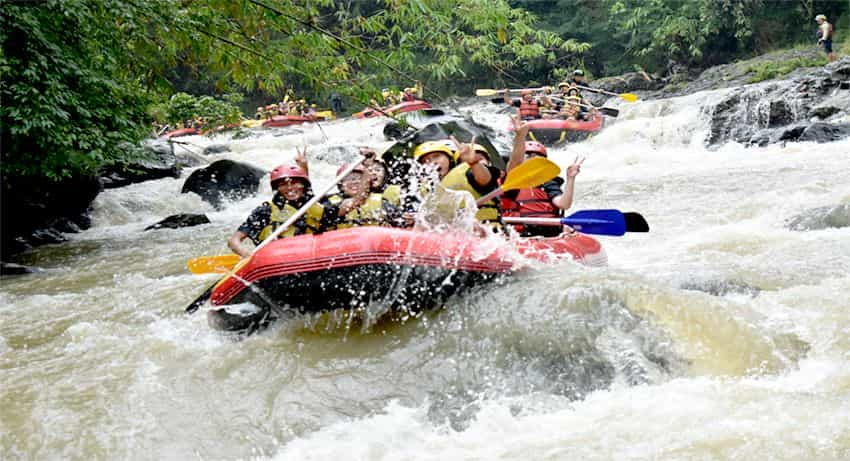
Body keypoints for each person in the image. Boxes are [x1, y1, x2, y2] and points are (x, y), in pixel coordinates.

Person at [227, 161, 327, 258]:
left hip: (312, 256)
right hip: (277, 261)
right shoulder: (265, 211)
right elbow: (234, 241)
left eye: (295, 183)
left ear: (303, 185)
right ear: (277, 189)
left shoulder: (318, 204)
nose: (289, 188)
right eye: (283, 184)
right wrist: (248, 256)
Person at [502, 139, 585, 237]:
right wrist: (520, 136)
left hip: (550, 233)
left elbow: (563, 204)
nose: (533, 161)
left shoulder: (549, 183)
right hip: (521, 234)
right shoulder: (511, 182)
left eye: (537, 159)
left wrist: (571, 179)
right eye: (528, 156)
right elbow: (512, 167)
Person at [440, 137, 504, 227]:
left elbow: (483, 179)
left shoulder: (480, 175)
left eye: (480, 158)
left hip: (490, 233)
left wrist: (474, 163)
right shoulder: (447, 181)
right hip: (460, 234)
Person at [322, 163, 403, 229]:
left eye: (360, 179)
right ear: (341, 184)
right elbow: (355, 202)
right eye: (351, 179)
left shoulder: (382, 202)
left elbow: (400, 222)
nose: (356, 182)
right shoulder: (330, 203)